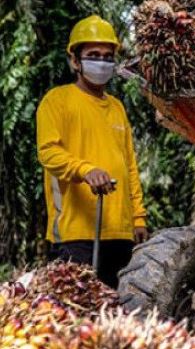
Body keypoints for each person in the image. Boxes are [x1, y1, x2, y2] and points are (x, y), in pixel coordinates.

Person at [36, 15, 148, 288]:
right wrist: (86, 171)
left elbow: (129, 165)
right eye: (93, 55)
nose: (102, 62)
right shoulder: (57, 100)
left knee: (116, 317)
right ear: (75, 60)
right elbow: (49, 153)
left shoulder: (117, 108)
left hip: (120, 233)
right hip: (76, 234)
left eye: (108, 57)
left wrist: (138, 217)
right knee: (75, 314)